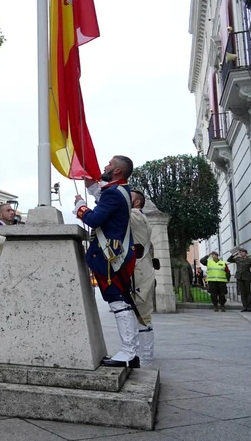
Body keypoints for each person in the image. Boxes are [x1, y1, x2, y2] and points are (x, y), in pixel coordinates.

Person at [75, 155, 139, 368]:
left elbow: (94, 219)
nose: (105, 166)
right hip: (116, 255)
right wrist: (93, 187)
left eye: (110, 164)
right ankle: (131, 352)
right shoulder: (121, 190)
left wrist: (80, 207)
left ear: (118, 171)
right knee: (122, 303)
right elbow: (106, 199)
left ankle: (129, 353)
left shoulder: (113, 193)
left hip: (111, 258)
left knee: (118, 303)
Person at [129, 190, 156, 367]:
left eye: (129, 196)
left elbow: (114, 208)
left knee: (142, 315)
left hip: (140, 273)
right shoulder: (137, 216)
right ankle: (141, 353)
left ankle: (145, 357)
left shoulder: (135, 215)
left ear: (137, 203)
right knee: (137, 315)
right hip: (139, 271)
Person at [229, 248, 251, 312]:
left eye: (242, 252)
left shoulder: (250, 260)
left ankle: (249, 307)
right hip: (239, 277)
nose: (241, 253)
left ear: (245, 253)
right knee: (243, 293)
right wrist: (234, 254)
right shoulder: (237, 259)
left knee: (249, 293)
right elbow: (229, 260)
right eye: (240, 252)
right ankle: (244, 306)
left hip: (248, 278)